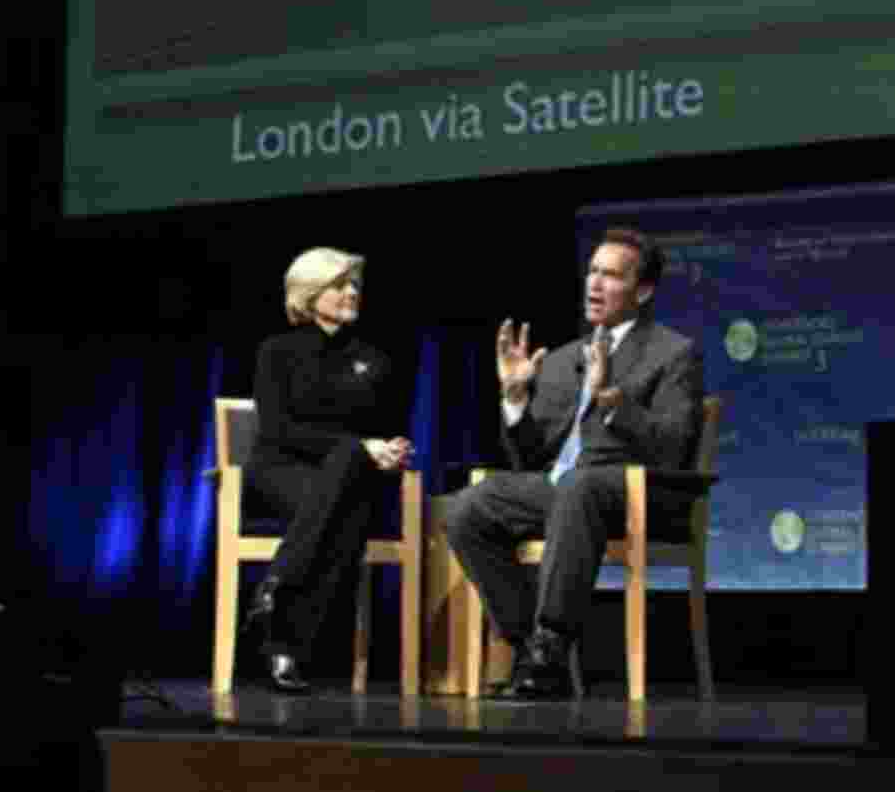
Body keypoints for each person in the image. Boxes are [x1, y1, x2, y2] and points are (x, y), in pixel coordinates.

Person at [444, 227, 703, 700]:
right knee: (466, 508)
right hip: (565, 489)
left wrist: (611, 403)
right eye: (591, 272)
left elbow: (674, 445)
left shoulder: (672, 353)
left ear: (643, 291)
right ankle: (530, 644)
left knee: (578, 486)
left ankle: (553, 640)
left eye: (610, 275)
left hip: (633, 492)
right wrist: (515, 399)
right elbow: (531, 456)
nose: (594, 284)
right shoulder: (565, 359)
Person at [243, 247, 413, 693]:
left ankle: (278, 608)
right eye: (340, 285)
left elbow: (387, 428)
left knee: (348, 486)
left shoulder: (375, 359)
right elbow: (278, 429)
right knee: (348, 492)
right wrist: (360, 447)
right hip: (281, 469)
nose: (352, 292)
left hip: (350, 478)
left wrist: (393, 448)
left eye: (354, 284)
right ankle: (287, 641)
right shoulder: (276, 351)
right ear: (310, 293)